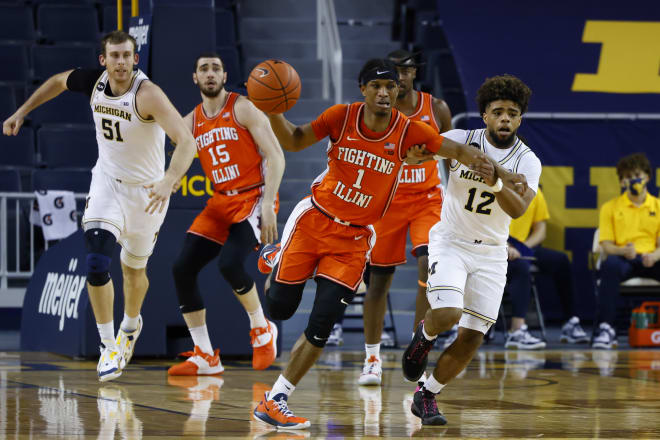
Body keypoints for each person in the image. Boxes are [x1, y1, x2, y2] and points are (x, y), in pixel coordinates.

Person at [252, 58, 494, 430]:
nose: (385, 93)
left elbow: (456, 150)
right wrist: (271, 111)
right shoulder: (341, 116)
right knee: (280, 308)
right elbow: (294, 140)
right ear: (363, 90)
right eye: (377, 86)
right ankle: (278, 256)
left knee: (322, 322)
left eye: (391, 87)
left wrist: (499, 170)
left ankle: (277, 398)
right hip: (315, 221)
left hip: (353, 239)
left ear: (398, 92)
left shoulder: (409, 131)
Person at [2, 30, 197, 381]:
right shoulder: (94, 82)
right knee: (95, 259)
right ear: (103, 60)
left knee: (134, 272)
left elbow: (186, 142)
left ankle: (130, 325)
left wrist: (170, 180)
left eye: (127, 55)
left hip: (146, 193)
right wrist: (22, 111)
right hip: (106, 183)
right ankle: (108, 345)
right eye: (114, 56)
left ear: (135, 60)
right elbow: (58, 82)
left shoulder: (148, 94)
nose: (120, 62)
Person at [401, 74, 540, 425]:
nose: (505, 118)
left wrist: (494, 180)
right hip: (451, 241)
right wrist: (415, 155)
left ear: (520, 118)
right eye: (498, 111)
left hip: (492, 252)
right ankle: (425, 335)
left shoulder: (528, 161)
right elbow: (419, 151)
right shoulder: (462, 139)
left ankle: (427, 395)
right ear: (485, 116)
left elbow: (518, 209)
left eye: (512, 112)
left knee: (472, 338)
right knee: (447, 313)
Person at [167, 53, 284, 376]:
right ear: (195, 78)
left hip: (254, 197)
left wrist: (269, 203)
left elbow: (276, 155)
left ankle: (262, 329)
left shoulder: (242, 107)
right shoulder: (191, 121)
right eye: (203, 68)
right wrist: (170, 180)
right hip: (221, 200)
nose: (210, 73)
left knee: (230, 264)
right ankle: (205, 355)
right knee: (182, 268)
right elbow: (182, 154)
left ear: (223, 75)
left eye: (215, 68)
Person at [357, 49, 453, 386]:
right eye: (396, 72)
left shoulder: (435, 108)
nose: (403, 77)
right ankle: (371, 358)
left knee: (429, 264)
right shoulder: (377, 113)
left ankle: (419, 348)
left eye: (407, 71)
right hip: (388, 201)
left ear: (413, 75)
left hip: (427, 200)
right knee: (378, 282)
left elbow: (452, 154)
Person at [504, 187, 588, 349]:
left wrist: (523, 248)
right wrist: (505, 246)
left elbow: (540, 231)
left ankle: (570, 323)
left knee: (560, 260)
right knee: (521, 267)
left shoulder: (534, 191)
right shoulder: (497, 186)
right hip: (495, 245)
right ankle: (516, 331)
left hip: (521, 247)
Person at [596, 152, 660, 349]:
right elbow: (605, 244)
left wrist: (655, 256)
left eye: (637, 175)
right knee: (609, 265)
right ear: (622, 182)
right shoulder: (610, 207)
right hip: (624, 258)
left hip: (650, 258)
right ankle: (607, 329)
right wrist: (623, 250)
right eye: (628, 177)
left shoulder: (658, 206)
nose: (634, 181)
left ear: (648, 177)